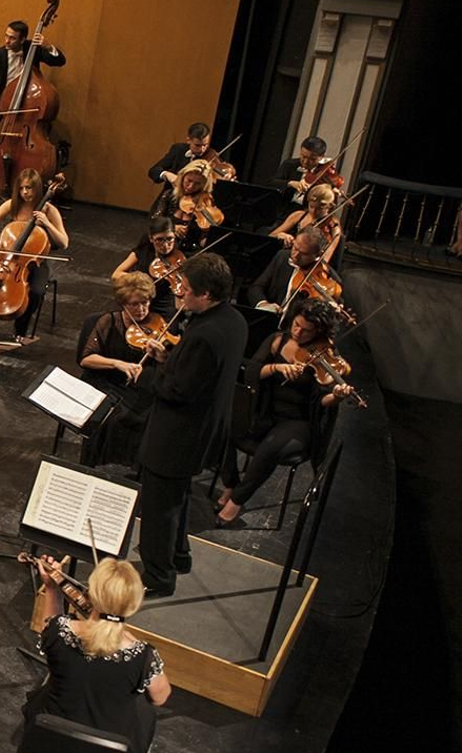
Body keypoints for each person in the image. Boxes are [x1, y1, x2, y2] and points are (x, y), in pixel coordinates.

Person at [135, 254, 247, 596]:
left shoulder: (205, 334)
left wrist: (148, 375)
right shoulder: (234, 321)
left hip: (177, 436)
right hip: (202, 432)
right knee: (178, 498)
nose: (179, 292)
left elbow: (178, 391)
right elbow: (199, 374)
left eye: (185, 289)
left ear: (207, 294)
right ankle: (179, 556)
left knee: (158, 507)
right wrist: (169, 359)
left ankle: (158, 575)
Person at [214, 299, 356, 527]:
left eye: (307, 330)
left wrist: (338, 396)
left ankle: (236, 502)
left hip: (297, 421)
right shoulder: (277, 340)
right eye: (296, 325)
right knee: (224, 424)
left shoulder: (326, 356)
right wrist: (276, 368)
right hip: (264, 410)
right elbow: (251, 372)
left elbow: (322, 401)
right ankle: (230, 483)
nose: (298, 332)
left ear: (318, 331)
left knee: (270, 448)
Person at [27, 556, 171, 753]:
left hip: (46, 747)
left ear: (91, 594)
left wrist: (51, 589)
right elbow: (160, 697)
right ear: (134, 605)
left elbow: (50, 626)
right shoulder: (143, 656)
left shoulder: (59, 632)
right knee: (144, 711)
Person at [77, 272, 163, 469]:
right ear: (123, 303)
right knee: (109, 418)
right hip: (105, 381)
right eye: (135, 304)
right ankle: (95, 464)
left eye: (145, 303)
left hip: (135, 385)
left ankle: (129, 467)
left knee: (147, 416)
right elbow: (86, 358)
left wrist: (162, 356)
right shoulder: (108, 322)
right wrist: (118, 364)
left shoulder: (156, 324)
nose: (142, 310)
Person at [0, 19, 65, 191]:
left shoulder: (33, 49)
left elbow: (59, 61)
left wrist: (47, 46)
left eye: (12, 38)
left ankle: (27, 180)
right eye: (6, 36)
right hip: (3, 101)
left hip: (27, 104)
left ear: (22, 40)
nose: (7, 41)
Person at [0, 166, 68, 342]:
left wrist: (47, 224)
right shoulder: (12, 204)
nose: (24, 192)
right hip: (7, 257)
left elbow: (64, 242)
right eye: (21, 188)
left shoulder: (49, 211)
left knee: (35, 292)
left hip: (34, 262)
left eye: (29, 188)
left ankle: (21, 329)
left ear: (37, 188)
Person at [247, 227, 339, 314]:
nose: (295, 256)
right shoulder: (282, 257)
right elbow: (256, 287)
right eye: (295, 248)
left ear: (318, 254)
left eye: (304, 254)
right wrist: (264, 304)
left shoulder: (329, 277)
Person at [111, 217, 182, 321]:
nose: (166, 245)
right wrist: (141, 281)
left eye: (170, 239)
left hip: (163, 305)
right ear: (151, 238)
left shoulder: (180, 256)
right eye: (159, 240)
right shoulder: (144, 251)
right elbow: (116, 274)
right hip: (139, 300)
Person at [147, 121, 214, 210]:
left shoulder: (211, 157)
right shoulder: (178, 150)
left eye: (205, 145)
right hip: (169, 201)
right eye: (197, 145)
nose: (202, 149)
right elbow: (153, 171)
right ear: (188, 140)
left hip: (193, 207)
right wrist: (166, 174)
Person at [270, 184, 343, 262]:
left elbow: (326, 257)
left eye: (319, 209)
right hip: (287, 258)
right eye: (311, 206)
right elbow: (271, 235)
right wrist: (281, 235)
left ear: (330, 207)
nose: (313, 211)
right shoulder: (298, 216)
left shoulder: (333, 227)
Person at [276, 135, 342, 205]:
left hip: (309, 211)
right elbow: (272, 183)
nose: (306, 161)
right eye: (303, 156)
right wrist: (290, 183)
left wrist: (331, 194)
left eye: (312, 159)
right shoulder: (289, 164)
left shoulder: (325, 172)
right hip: (284, 207)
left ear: (322, 157)